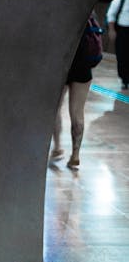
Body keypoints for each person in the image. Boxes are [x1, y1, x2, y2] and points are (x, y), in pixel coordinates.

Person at [50, 15, 98, 169]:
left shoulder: (61, 10)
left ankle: (57, 147)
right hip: (83, 66)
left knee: (54, 109)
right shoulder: (88, 11)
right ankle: (75, 155)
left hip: (61, 65)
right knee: (78, 113)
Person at [106, 0, 129, 89]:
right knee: (122, 55)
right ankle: (125, 80)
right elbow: (111, 14)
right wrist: (111, 30)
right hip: (123, 31)